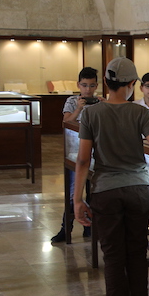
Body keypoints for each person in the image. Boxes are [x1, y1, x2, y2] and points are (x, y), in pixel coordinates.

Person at [73, 57, 149, 296]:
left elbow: (83, 160)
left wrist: (77, 200)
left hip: (105, 191)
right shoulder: (139, 113)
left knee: (114, 257)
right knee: (136, 254)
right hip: (137, 191)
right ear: (131, 84)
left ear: (106, 82)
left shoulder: (91, 114)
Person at [51, 67, 99, 244]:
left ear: (96, 86)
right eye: (84, 85)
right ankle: (66, 228)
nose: (88, 89)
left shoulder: (100, 103)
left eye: (91, 85)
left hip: (94, 154)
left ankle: (90, 227)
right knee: (73, 192)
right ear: (79, 85)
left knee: (93, 192)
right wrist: (79, 109)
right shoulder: (72, 101)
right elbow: (66, 121)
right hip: (74, 153)